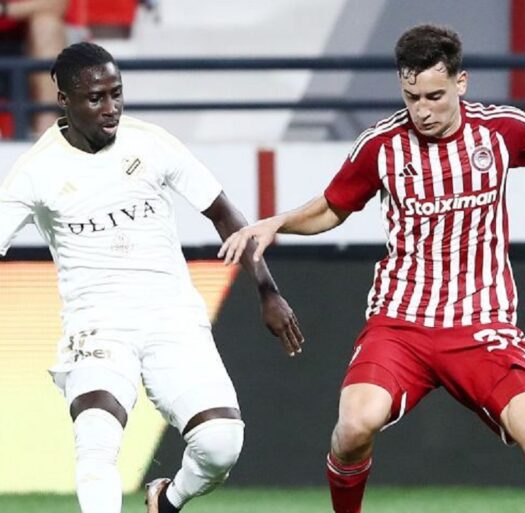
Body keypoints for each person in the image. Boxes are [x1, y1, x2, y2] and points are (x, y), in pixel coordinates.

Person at [219, 24, 525, 513]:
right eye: (412, 97)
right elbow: (333, 207)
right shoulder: (382, 146)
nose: (422, 110)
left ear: (461, 82)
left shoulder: (499, 131)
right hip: (401, 323)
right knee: (352, 429)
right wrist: (278, 222)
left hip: (483, 326)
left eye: (434, 96)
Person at [0, 42, 304, 513]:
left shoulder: (150, 142)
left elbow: (223, 213)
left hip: (171, 317)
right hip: (97, 324)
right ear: (63, 99)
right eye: (96, 98)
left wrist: (268, 290)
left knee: (221, 444)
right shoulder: (35, 171)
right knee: (96, 439)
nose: (111, 108)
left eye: (116, 93)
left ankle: (168, 499)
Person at [0, 0, 69, 136]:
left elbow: (56, 4)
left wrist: (4, 9)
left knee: (46, 24)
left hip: (32, 40)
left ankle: (47, 130)